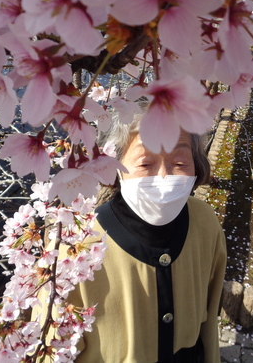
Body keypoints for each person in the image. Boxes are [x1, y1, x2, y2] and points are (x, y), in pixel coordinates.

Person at [36, 103, 227, 363]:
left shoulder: (205, 222)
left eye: (180, 162)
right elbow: (53, 348)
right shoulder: (76, 247)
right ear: (114, 166)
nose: (163, 177)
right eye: (145, 163)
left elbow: (210, 312)